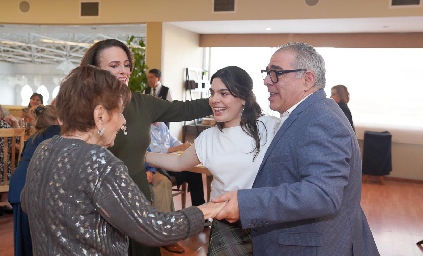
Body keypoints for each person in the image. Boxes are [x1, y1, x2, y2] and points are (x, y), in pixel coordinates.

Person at [20, 65, 224, 255]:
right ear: (99, 115)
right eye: (119, 112)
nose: (124, 121)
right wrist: (210, 209)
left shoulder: (45, 149)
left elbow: (27, 202)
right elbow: (156, 229)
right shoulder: (99, 161)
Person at [211, 42, 379, 255]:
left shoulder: (320, 118)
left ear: (307, 80)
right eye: (267, 73)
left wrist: (246, 203)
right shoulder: (306, 115)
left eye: (276, 73)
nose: (266, 81)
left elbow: (322, 193)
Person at [80, 39, 212, 256]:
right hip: (100, 198)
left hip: (137, 193)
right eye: (114, 66)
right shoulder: (84, 107)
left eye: (126, 64)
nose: (123, 71)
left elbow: (184, 109)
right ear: (95, 71)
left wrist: (221, 97)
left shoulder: (141, 103)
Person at [145, 66, 280, 255]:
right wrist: (142, 155)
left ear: (243, 98)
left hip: (267, 222)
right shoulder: (208, 137)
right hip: (226, 223)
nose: (214, 100)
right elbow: (178, 163)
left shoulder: (270, 127)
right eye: (212, 93)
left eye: (223, 93)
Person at [8, 105, 60, 256]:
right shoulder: (56, 133)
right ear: (58, 119)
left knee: (22, 242)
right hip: (33, 188)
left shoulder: (34, 137)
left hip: (18, 186)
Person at [149, 121, 205, 207]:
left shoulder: (162, 125)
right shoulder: (146, 128)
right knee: (191, 173)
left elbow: (173, 141)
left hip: (171, 162)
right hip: (159, 165)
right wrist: (177, 148)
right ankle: (199, 206)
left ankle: (199, 207)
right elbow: (154, 150)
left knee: (195, 173)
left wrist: (184, 146)